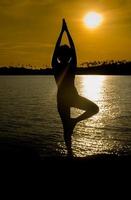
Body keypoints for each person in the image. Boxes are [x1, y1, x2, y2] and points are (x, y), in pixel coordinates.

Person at [52, 19, 99, 156]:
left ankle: (73, 124)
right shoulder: (60, 66)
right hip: (64, 100)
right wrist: (65, 32)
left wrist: (64, 32)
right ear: (61, 56)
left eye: (67, 54)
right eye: (64, 54)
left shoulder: (62, 66)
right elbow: (61, 50)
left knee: (94, 109)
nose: (66, 56)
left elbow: (70, 50)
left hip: (70, 98)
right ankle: (70, 152)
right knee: (66, 128)